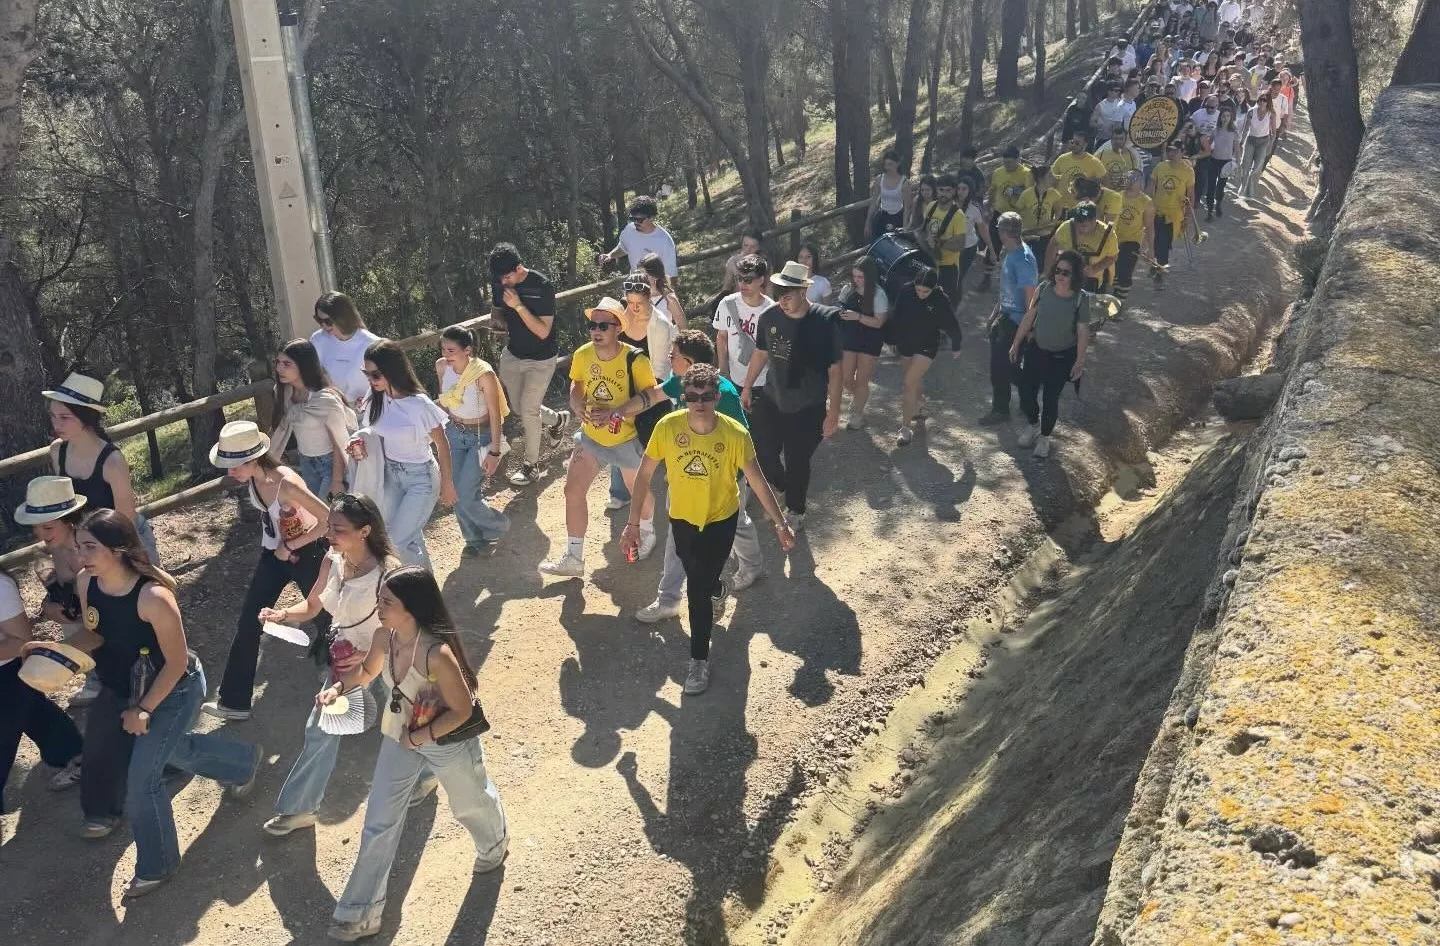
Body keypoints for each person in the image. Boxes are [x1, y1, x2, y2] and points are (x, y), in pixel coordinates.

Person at [69, 509, 262, 896]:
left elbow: (175, 664)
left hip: (173, 690)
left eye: (90, 547)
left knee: (143, 780)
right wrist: (56, 654)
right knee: (172, 752)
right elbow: (96, 634)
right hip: (124, 688)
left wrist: (143, 710)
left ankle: (158, 866)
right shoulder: (86, 583)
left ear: (119, 549)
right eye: (78, 547)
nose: (81, 556)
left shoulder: (153, 598)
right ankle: (242, 762)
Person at [320, 566, 507, 942]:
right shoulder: (382, 636)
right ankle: (361, 914)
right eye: (379, 599)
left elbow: (462, 711)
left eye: (387, 602)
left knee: (469, 802)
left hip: (445, 739)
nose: (379, 607)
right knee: (379, 821)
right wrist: (339, 687)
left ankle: (494, 842)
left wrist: (421, 736)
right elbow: (368, 673)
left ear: (412, 608)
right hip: (400, 736)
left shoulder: (436, 654)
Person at [623, 364, 794, 695]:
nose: (698, 403)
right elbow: (644, 475)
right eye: (691, 396)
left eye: (705, 396)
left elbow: (757, 481)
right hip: (682, 519)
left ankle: (698, 660)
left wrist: (781, 522)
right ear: (683, 397)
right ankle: (718, 589)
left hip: (720, 519)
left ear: (717, 397)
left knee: (695, 590)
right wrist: (632, 525)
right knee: (701, 579)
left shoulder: (734, 434)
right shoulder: (667, 427)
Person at [258, 494, 420, 837]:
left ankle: (432, 773)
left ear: (365, 531)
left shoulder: (388, 571)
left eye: (339, 529)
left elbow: (403, 624)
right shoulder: (332, 561)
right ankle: (301, 808)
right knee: (320, 729)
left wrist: (372, 654)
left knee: (409, 721)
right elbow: (313, 605)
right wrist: (283, 614)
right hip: (347, 663)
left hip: (388, 661)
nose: (330, 534)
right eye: (329, 526)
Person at [636, 331, 769, 624]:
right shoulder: (682, 382)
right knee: (677, 534)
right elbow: (654, 395)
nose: (669, 359)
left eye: (673, 355)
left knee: (737, 523)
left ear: (689, 361)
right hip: (686, 479)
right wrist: (616, 412)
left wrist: (734, 478)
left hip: (726, 477)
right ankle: (668, 599)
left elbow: (741, 438)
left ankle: (752, 564)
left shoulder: (725, 395)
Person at [202, 421, 332, 721]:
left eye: (234, 466)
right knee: (250, 620)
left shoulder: (286, 482)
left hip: (307, 554)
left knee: (326, 615)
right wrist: (281, 549)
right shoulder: (253, 479)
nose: (230, 472)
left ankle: (344, 675)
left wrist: (293, 544)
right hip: (274, 554)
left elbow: (327, 520)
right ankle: (234, 701)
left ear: (252, 460)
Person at [537, 299, 665, 577]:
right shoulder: (583, 355)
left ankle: (647, 532)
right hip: (592, 436)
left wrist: (617, 413)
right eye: (592, 325)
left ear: (618, 328)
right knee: (572, 490)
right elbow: (576, 384)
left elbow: (652, 397)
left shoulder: (636, 360)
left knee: (638, 491)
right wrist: (576, 403)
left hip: (627, 438)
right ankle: (574, 556)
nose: (596, 330)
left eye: (603, 325)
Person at [740, 261, 843, 528]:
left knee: (798, 460)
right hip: (774, 397)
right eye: (778, 296)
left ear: (802, 292)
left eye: (787, 296)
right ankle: (780, 484)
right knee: (761, 449)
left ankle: (796, 510)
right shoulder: (770, 318)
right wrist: (748, 386)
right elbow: (761, 353)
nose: (781, 302)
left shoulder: (825, 320)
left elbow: (835, 369)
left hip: (809, 406)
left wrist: (833, 413)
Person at [3, 487, 86, 804]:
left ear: (68, 520)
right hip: (84, 633)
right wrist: (53, 607)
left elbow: (97, 603)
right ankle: (78, 754)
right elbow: (63, 602)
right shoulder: (54, 553)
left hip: (103, 634)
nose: (39, 533)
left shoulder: (88, 548)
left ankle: (166, 756)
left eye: (46, 526)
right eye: (37, 527)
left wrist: (64, 612)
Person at [350, 340, 459, 569]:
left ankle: (416, 594)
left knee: (395, 543)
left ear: (392, 370)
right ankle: (424, 592)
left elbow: (442, 444)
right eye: (366, 374)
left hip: (421, 479)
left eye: (375, 375)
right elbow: (375, 432)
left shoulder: (418, 405)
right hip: (391, 475)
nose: (370, 380)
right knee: (398, 536)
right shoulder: (376, 398)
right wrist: (360, 442)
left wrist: (448, 484)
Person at [44, 371, 160, 563]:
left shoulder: (112, 461)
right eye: (53, 416)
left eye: (64, 417)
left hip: (123, 539)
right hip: (85, 543)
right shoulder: (57, 451)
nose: (56, 424)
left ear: (86, 416)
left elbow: (126, 521)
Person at [486, 242, 570, 488]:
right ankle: (557, 421)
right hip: (513, 354)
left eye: (507, 277)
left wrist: (518, 306)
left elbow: (544, 331)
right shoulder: (499, 282)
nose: (503, 283)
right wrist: (497, 320)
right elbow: (497, 309)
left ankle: (530, 466)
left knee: (529, 411)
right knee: (520, 409)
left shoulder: (542, 285)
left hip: (541, 358)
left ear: (519, 268)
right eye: (498, 279)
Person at [1009, 250, 1091, 461]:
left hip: (1061, 357)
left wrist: (1080, 361)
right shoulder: (1043, 288)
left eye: (1066, 272)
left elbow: (1083, 332)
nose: (1061, 275)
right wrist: (1017, 342)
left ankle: (1044, 437)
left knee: (1050, 398)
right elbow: (1029, 316)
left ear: (1075, 275)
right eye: (1058, 270)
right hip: (1037, 350)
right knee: (1026, 393)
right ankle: (1033, 425)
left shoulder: (1081, 300)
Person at [608, 271, 679, 511]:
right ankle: (619, 491)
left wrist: (643, 396)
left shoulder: (659, 324)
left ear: (650, 299)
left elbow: (660, 368)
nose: (634, 308)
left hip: (652, 389)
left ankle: (675, 480)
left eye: (639, 303)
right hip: (622, 385)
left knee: (656, 440)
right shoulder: (619, 320)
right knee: (618, 435)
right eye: (630, 303)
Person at [436, 326, 509, 557]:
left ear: (467, 350)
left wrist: (495, 452)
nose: (446, 354)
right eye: (443, 349)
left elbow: (495, 414)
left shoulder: (483, 374)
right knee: (455, 490)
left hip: (480, 435)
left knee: (466, 492)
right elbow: (446, 402)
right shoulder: (441, 367)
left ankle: (500, 527)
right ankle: (473, 539)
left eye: (451, 349)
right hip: (454, 433)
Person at [267, 339, 354, 500]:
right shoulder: (283, 392)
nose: (279, 368)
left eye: (287, 364)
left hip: (331, 465)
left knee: (326, 514)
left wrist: (337, 480)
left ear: (303, 365)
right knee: (314, 513)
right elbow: (280, 427)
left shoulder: (324, 398)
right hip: (306, 462)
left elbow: (339, 442)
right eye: (277, 362)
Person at [887, 268, 962, 447]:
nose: (921, 294)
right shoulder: (906, 291)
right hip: (906, 342)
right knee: (913, 380)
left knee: (908, 383)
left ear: (934, 288)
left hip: (927, 345)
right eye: (918, 290)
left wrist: (956, 344)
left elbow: (952, 323)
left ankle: (905, 429)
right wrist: (891, 338)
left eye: (925, 291)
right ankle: (918, 405)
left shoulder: (940, 299)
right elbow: (896, 315)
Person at [981, 214, 1039, 426]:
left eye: (999, 229)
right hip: (1004, 317)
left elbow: (1030, 296)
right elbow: (1006, 288)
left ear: (1004, 233)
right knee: (1005, 367)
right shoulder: (1010, 252)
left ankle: (1002, 408)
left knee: (1003, 367)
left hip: (1015, 322)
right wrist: (995, 312)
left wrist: (1029, 327)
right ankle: (1025, 399)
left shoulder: (1023, 259)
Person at [713, 253, 774, 410]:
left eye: (748, 280)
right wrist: (723, 368)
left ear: (761, 280)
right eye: (739, 278)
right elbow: (721, 336)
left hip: (763, 382)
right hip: (733, 378)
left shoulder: (771, 311)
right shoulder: (727, 304)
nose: (742, 284)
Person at [836, 256, 889, 430]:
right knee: (846, 378)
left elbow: (879, 322)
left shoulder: (879, 294)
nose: (857, 280)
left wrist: (857, 316)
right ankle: (857, 398)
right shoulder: (847, 290)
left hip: (870, 340)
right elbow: (839, 309)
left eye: (861, 277)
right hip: (849, 338)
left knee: (862, 381)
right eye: (855, 276)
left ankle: (857, 415)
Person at [311, 293, 383, 409]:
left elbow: (387, 386)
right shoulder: (317, 339)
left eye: (328, 321)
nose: (323, 325)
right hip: (330, 411)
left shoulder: (372, 344)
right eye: (319, 320)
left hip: (364, 413)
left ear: (343, 317)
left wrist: (368, 400)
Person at [598, 195, 679, 288]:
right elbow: (624, 248)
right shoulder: (629, 230)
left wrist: (669, 299)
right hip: (634, 290)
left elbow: (672, 277)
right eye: (633, 219)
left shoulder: (665, 242)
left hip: (657, 293)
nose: (635, 222)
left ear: (651, 217)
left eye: (639, 220)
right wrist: (610, 255)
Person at [1148, 140, 1196, 289]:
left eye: (1174, 151)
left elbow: (1191, 195)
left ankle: (1160, 273)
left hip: (1174, 216)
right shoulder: (1160, 167)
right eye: (1169, 150)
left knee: (1163, 244)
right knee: (1155, 243)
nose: (1171, 153)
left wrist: (1187, 217)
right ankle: (1157, 265)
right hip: (1157, 211)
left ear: (1182, 152)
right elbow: (1151, 187)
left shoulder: (1188, 171)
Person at [982, 146, 1031, 289]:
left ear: (1018, 159)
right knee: (993, 245)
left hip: (1017, 216)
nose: (1007, 165)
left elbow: (1030, 192)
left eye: (1010, 162)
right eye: (1005, 162)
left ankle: (1016, 282)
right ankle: (986, 279)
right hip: (999, 213)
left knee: (1016, 249)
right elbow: (993, 190)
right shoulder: (998, 172)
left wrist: (1016, 190)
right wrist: (988, 208)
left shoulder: (1026, 174)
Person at [1046, 201, 1119, 294]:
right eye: (1077, 221)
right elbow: (1053, 244)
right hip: (1067, 278)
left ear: (1094, 220)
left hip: (1093, 281)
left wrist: (1095, 269)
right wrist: (1048, 272)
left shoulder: (1108, 233)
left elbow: (1113, 257)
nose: (1079, 225)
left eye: (1083, 223)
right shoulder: (1067, 227)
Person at [917, 174, 969, 305]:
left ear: (954, 191)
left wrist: (939, 243)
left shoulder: (958, 216)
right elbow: (926, 227)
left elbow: (960, 244)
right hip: (929, 263)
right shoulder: (931, 206)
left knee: (944, 303)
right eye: (941, 190)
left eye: (948, 190)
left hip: (948, 268)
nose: (944, 194)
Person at [1114, 170, 1157, 307]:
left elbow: (1149, 227)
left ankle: (1119, 305)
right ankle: (1114, 297)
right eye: (1128, 178)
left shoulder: (1146, 202)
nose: (1130, 181)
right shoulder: (1117, 197)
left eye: (1134, 178)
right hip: (1113, 240)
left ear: (1141, 182)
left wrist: (1150, 249)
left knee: (1125, 274)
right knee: (1114, 273)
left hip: (1132, 242)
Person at [1050, 131, 1107, 217]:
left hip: (1082, 209)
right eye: (1072, 142)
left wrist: (1095, 201)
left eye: (1077, 143)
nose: (1073, 145)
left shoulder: (1094, 162)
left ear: (1085, 144)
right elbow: (1051, 179)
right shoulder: (1062, 159)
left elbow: (1105, 183)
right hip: (1061, 208)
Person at [1017, 164, 1063, 263]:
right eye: (1050, 176)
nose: (1053, 178)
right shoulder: (1026, 194)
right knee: (1024, 262)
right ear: (1041, 178)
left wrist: (1054, 221)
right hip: (1027, 234)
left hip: (1044, 235)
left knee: (1040, 263)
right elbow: (1018, 213)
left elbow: (1059, 210)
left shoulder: (1054, 194)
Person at [1200, 104, 1239, 218]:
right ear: (1220, 117)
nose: (1225, 118)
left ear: (1231, 118)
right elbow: (1208, 143)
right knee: (1211, 186)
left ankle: (1218, 204)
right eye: (1223, 116)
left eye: (1228, 116)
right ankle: (1209, 210)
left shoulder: (1234, 132)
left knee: (1221, 186)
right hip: (1214, 161)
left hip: (1226, 162)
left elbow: (1237, 148)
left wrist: (1237, 161)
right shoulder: (1216, 130)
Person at [866, 149, 911, 240]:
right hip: (882, 216)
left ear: (897, 164)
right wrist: (867, 223)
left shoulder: (905, 183)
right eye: (886, 164)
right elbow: (874, 202)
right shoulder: (879, 179)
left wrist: (905, 227)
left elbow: (907, 208)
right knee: (878, 243)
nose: (887, 168)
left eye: (890, 164)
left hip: (897, 216)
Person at [1094, 125, 1145, 192]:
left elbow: (1136, 177)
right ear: (1111, 140)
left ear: (1125, 140)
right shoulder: (1100, 155)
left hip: (1123, 196)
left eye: (1121, 139)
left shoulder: (1132, 156)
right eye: (1115, 139)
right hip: (1105, 195)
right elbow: (1094, 176)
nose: (1118, 141)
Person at [720, 229, 765, 295]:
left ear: (758, 247)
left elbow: (769, 288)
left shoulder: (764, 263)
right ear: (741, 244)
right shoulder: (732, 262)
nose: (748, 250)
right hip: (738, 300)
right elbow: (726, 287)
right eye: (745, 245)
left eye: (753, 247)